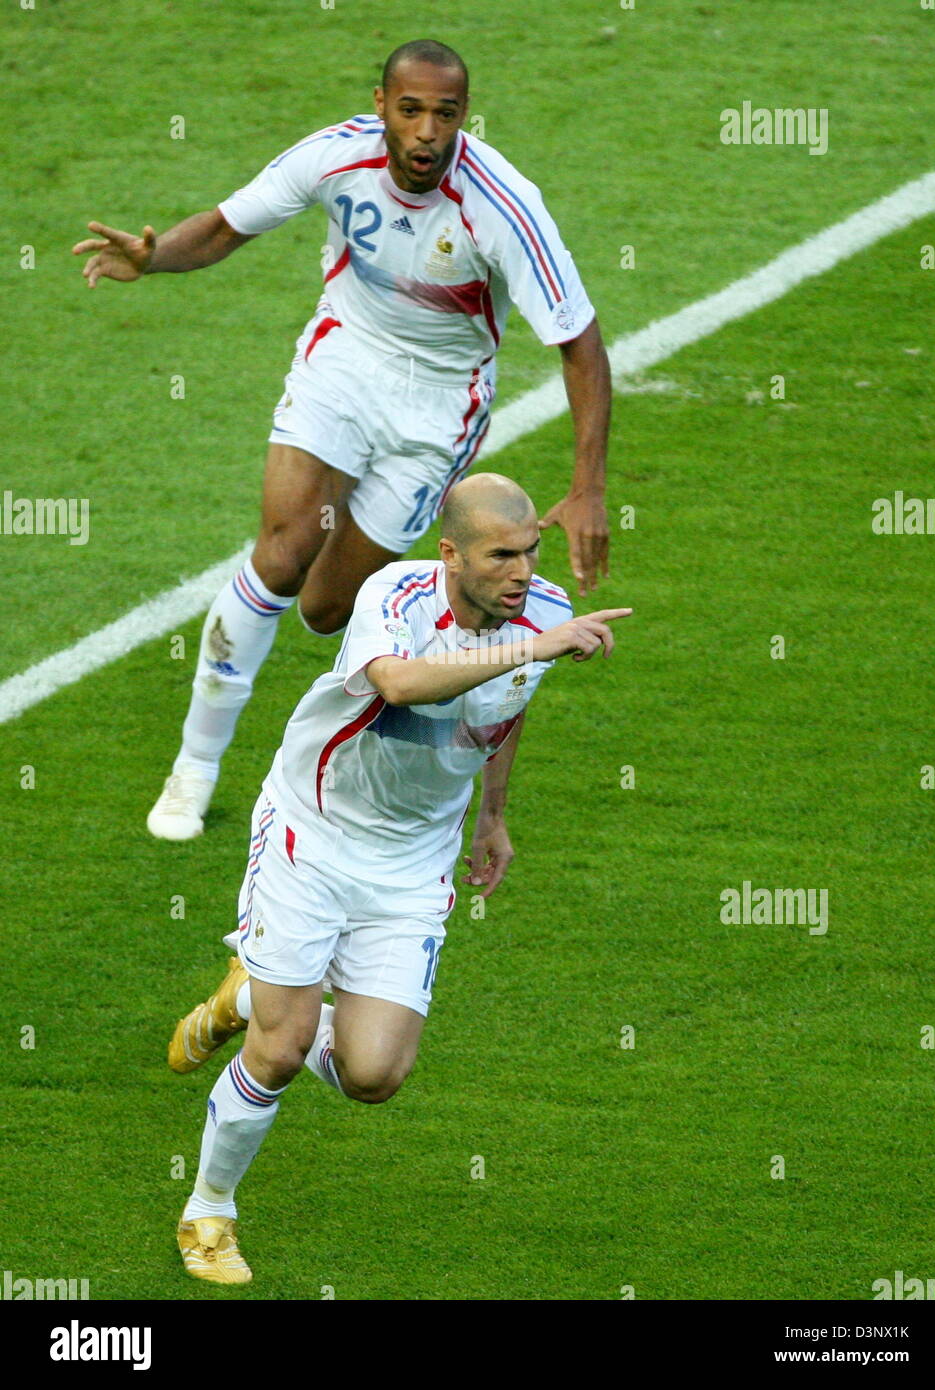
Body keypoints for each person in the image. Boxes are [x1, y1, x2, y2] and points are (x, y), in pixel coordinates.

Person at [72, 38, 613, 842]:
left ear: (465, 116)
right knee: (284, 550)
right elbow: (225, 227)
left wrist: (590, 486)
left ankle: (344, 656)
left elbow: (580, 344)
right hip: (342, 363)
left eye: (446, 113)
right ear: (380, 107)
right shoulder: (335, 157)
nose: (428, 131)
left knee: (326, 610)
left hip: (436, 411)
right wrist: (154, 260)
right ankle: (195, 764)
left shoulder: (501, 203)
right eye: (410, 110)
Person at [166, 473, 630, 1284]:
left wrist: (492, 815)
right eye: (501, 556)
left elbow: (502, 712)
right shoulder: (399, 593)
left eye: (530, 552)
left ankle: (245, 995)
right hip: (313, 833)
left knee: (373, 1075)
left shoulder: (547, 611)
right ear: (451, 554)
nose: (521, 572)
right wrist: (531, 646)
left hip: (412, 862)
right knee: (283, 1050)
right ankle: (209, 1211)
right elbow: (397, 684)